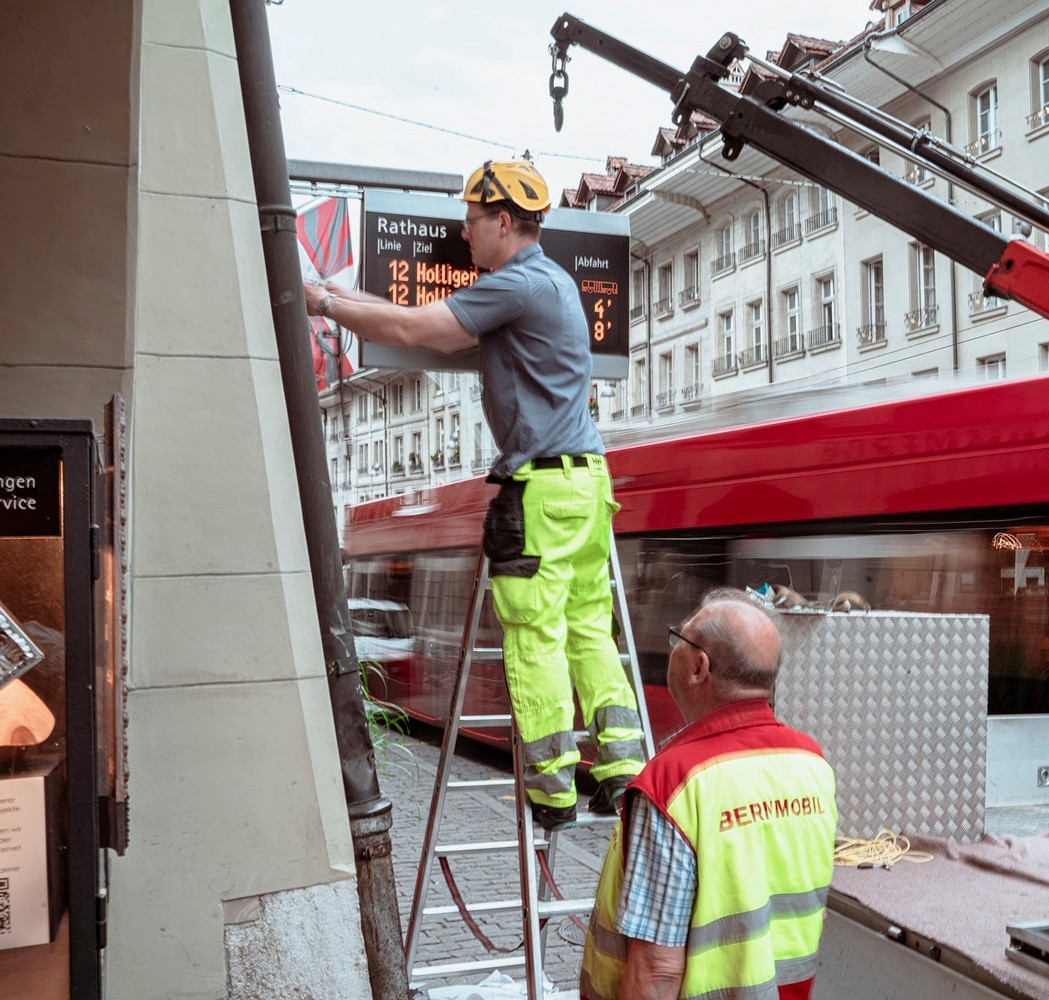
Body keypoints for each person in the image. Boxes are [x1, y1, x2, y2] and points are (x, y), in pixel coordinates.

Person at [302, 159, 644, 830]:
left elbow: (408, 331)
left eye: (472, 221)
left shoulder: (516, 285)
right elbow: (406, 316)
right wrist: (340, 296)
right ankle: (623, 771)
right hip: (586, 484)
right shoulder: (556, 284)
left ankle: (550, 791)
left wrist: (321, 303)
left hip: (541, 488)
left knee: (535, 635)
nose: (463, 235)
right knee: (586, 631)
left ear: (505, 222)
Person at [580, 590, 838, 1000]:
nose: (672, 650)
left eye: (677, 639)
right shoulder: (811, 762)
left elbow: (657, 974)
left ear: (699, 667)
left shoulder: (674, 783)